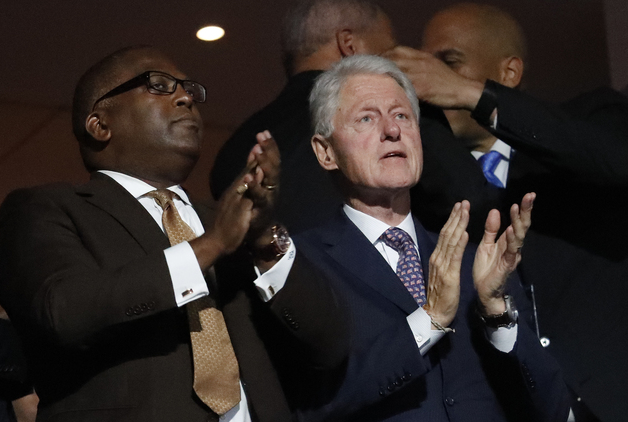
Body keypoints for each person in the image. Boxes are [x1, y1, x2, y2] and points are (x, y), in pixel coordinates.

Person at [0, 46, 342, 422]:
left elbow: (329, 345)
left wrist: (263, 241)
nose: (186, 97)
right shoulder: (44, 209)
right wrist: (209, 247)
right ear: (100, 124)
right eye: (159, 85)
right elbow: (61, 312)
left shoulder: (231, 218)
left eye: (189, 89)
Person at [259, 54, 569, 422]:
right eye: (366, 118)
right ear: (326, 152)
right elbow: (309, 407)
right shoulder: (301, 264)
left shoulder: (476, 261)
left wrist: (498, 314)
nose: (392, 131)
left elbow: (553, 410)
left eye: (402, 115)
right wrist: (430, 319)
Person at [385, 3, 628, 421]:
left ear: (509, 73)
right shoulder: (426, 184)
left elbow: (612, 159)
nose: (428, 79)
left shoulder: (587, 118)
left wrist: (470, 94)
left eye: (447, 62)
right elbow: (474, 205)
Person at [210, 0, 457, 234]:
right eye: (390, 51)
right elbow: (470, 201)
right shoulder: (403, 115)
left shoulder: (231, 152)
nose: (391, 129)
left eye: (401, 115)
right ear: (349, 45)